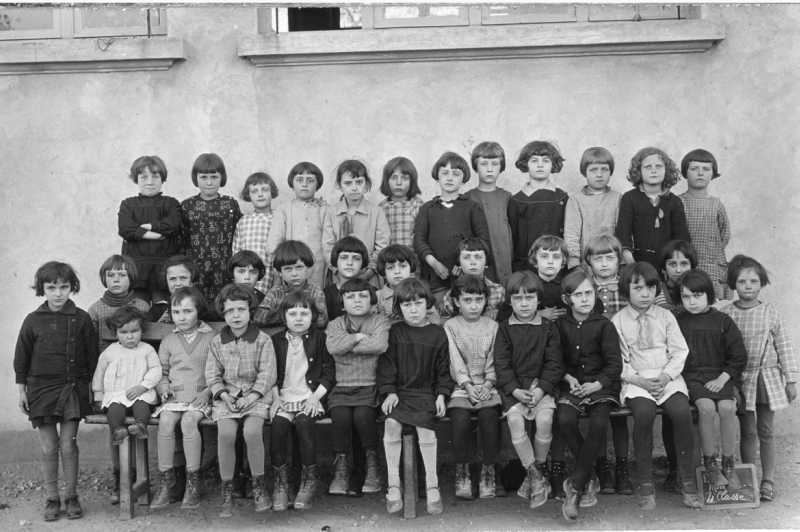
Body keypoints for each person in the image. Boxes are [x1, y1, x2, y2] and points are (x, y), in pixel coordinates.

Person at [610, 262, 701, 510]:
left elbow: (679, 351)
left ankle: (687, 479)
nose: (645, 294)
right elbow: (618, 360)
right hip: (637, 380)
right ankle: (646, 482)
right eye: (638, 288)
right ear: (625, 290)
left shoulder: (665, 316)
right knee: (644, 414)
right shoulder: (618, 321)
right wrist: (638, 380)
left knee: (682, 413)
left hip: (666, 378)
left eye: (650, 288)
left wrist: (665, 377)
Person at [14, 262, 98, 521]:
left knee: (68, 444)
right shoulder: (32, 320)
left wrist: (91, 390)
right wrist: (22, 390)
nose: (58, 293)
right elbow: (22, 358)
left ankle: (72, 496)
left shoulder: (82, 318)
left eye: (64, 287)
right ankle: (52, 498)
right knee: (49, 446)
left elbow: (92, 357)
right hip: (40, 388)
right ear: (43, 289)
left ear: (72, 287)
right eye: (52, 287)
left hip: (71, 387)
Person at [721, 255, 797, 502]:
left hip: (766, 378)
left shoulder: (770, 312)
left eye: (753, 281)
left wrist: (791, 379)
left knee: (766, 430)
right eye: (742, 281)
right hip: (741, 380)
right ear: (734, 284)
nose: (748, 286)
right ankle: (749, 478)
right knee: (748, 431)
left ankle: (768, 481)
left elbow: (785, 346)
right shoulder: (726, 314)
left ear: (761, 282)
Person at [378, 279, 454, 515]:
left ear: (427, 304)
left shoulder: (438, 334)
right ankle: (393, 483)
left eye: (418, 303)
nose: (413, 309)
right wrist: (389, 391)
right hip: (401, 394)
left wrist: (442, 395)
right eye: (407, 304)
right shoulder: (394, 333)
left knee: (426, 428)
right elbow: (387, 366)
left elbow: (444, 369)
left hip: (425, 394)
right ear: (398, 308)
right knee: (391, 423)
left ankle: (432, 484)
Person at [555, 272, 622, 522]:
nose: (585, 299)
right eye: (578, 294)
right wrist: (567, 378)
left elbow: (615, 365)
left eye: (589, 293)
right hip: (571, 386)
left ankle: (576, 488)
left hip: (601, 386)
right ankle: (589, 474)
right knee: (565, 421)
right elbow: (555, 360)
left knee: (598, 423)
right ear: (567, 298)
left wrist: (597, 384)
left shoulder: (605, 325)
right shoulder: (560, 326)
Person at [206, 284, 277, 517]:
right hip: (227, 399)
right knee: (226, 434)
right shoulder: (217, 342)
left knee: (252, 432)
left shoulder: (263, 340)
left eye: (241, 309)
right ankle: (227, 489)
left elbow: (268, 373)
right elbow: (212, 374)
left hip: (255, 398)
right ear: (223, 314)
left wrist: (253, 395)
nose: (235, 316)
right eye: (229, 311)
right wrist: (224, 395)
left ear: (250, 311)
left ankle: (258, 485)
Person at [493, 271, 563, 509]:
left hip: (540, 387)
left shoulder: (549, 327)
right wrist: (514, 390)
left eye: (529, 298)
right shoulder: (504, 328)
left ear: (538, 299)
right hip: (514, 390)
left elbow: (555, 364)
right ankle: (535, 475)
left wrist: (542, 389)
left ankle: (538, 469)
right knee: (515, 421)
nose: (524, 304)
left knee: (545, 418)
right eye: (518, 299)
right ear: (509, 301)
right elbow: (501, 364)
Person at [676, 270, 747, 489]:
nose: (692, 302)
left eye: (697, 296)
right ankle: (710, 466)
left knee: (727, 408)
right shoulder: (678, 321)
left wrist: (722, 379)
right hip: (692, 378)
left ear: (708, 294)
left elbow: (738, 356)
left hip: (720, 375)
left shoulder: (723, 321)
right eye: (686, 297)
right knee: (705, 408)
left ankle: (728, 464)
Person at [151, 287, 215, 510]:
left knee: (189, 422)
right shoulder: (169, 340)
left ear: (199, 311)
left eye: (188, 311)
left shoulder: (211, 337)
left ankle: (192, 482)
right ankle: (166, 481)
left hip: (201, 396)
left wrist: (208, 392)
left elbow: (220, 370)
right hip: (175, 396)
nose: (182, 317)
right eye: (176, 312)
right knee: (166, 420)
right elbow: (162, 373)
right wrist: (164, 389)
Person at [270, 292, 336, 511]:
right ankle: (282, 483)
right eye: (293, 313)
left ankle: (309, 481)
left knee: (304, 423)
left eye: (304, 313)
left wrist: (316, 397)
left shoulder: (320, 339)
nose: (298, 318)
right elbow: (270, 374)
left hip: (310, 397)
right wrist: (275, 399)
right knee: (278, 425)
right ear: (284, 316)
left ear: (313, 316)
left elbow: (328, 373)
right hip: (284, 396)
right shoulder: (276, 340)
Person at [325, 279, 391, 496]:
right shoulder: (335, 324)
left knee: (363, 417)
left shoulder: (380, 321)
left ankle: (374, 467)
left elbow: (379, 345)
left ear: (372, 301)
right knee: (341, 418)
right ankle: (341, 469)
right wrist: (357, 337)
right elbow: (333, 346)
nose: (357, 300)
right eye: (350, 296)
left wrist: (347, 345)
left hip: (369, 387)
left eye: (362, 295)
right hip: (341, 388)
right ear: (342, 303)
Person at [581, 234, 633, 495]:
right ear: (588, 261)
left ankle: (622, 469)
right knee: (597, 414)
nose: (603, 263)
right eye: (597, 258)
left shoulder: (626, 286)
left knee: (619, 417)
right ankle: (602, 467)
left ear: (618, 259)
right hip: (594, 364)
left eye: (609, 257)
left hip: (623, 359)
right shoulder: (584, 287)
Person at [444, 275, 502, 499]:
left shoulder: (492, 326)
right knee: (460, 419)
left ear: (485, 300)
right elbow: (454, 359)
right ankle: (463, 471)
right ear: (457, 301)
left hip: (488, 386)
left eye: (478, 300)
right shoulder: (450, 326)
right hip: (461, 387)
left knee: (489, 417)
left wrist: (488, 383)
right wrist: (467, 386)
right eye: (467, 300)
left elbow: (495, 359)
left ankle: (488, 471)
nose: (473, 305)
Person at [413, 152, 490, 307]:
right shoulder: (428, 208)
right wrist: (434, 263)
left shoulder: (471, 207)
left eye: (456, 174)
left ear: (463, 178)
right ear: (437, 176)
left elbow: (483, 240)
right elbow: (419, 239)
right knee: (441, 314)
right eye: (445, 173)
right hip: (435, 277)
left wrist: (464, 264)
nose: (449, 178)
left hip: (465, 277)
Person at [92, 305, 160, 448]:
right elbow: (99, 374)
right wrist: (98, 396)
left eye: (134, 331)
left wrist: (143, 386)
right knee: (115, 408)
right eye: (123, 332)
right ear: (116, 333)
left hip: (140, 393)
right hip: (116, 395)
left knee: (142, 405)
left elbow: (156, 370)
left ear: (142, 331)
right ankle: (117, 430)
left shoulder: (147, 350)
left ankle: (140, 425)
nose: (129, 336)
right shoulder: (110, 352)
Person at [118, 155, 182, 304]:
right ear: (136, 179)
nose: (150, 182)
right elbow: (125, 229)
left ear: (162, 179)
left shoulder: (171, 203)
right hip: (137, 267)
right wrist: (154, 236)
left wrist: (146, 227)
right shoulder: (128, 204)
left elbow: (173, 224)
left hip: (164, 267)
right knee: (139, 309)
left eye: (155, 177)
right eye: (144, 177)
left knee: (164, 309)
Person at [180, 153, 243, 303]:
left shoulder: (230, 204)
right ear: (196, 177)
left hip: (224, 267)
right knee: (196, 305)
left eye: (214, 177)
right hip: (196, 267)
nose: (209, 182)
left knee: (224, 304)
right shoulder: (187, 206)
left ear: (222, 177)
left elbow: (239, 236)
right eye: (203, 177)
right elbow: (180, 239)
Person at [615, 147, 691, 270]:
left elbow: (681, 239)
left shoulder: (674, 202)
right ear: (638, 171)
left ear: (667, 170)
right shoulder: (629, 198)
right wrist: (633, 264)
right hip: (634, 265)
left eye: (659, 166)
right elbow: (623, 234)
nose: (653, 171)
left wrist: (673, 267)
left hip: (666, 268)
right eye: (648, 167)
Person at [322, 159, 391, 288]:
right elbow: (328, 246)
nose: (354, 188)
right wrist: (338, 271)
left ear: (366, 184)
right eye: (347, 183)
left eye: (359, 182)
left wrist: (369, 272)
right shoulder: (331, 212)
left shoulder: (376, 212)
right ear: (339, 185)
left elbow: (382, 246)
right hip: (338, 278)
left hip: (369, 277)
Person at [508, 140, 569, 273]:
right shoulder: (517, 200)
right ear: (526, 164)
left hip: (556, 266)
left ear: (553, 164)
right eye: (534, 161)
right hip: (526, 267)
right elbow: (512, 238)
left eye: (546, 161)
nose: (540, 165)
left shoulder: (562, 198)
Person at [679, 149, 732, 300]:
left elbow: (724, 235)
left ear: (713, 173)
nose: (700, 173)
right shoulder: (677, 202)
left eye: (706, 169)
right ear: (685, 172)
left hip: (711, 267)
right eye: (694, 169)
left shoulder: (716, 204)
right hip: (683, 267)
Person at [268, 162, 329, 288]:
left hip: (319, 266)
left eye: (310, 180)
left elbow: (330, 240)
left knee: (316, 298)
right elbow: (275, 241)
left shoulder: (325, 209)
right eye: (299, 180)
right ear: (292, 184)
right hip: (291, 266)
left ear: (318, 185)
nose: (304, 184)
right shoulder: (284, 209)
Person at [563, 147, 622, 272]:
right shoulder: (576, 200)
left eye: (604, 169)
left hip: (613, 264)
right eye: (593, 170)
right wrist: (574, 265)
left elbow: (624, 234)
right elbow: (571, 235)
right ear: (585, 172)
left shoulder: (618, 198)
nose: (599, 174)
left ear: (611, 171)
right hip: (586, 265)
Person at [466, 141, 514, 286]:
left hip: (504, 256)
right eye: (483, 164)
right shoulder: (468, 197)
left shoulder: (507, 196)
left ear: (501, 167)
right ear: (475, 167)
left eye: (494, 164)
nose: (489, 169)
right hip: (479, 256)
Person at [253, 240, 328, 329]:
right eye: (288, 269)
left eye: (299, 267)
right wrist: (293, 315)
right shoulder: (275, 292)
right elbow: (258, 318)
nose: (294, 274)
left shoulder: (315, 292)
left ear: (309, 269)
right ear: (280, 272)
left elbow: (322, 320)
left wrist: (284, 317)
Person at [87, 254, 151, 354]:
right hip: (107, 365)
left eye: (122, 275)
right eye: (111, 275)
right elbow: (89, 344)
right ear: (104, 279)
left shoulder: (142, 307)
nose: (116, 280)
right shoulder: (96, 309)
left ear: (131, 278)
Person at [233, 171, 279, 293]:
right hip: (248, 272)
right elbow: (236, 251)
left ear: (272, 192)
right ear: (248, 195)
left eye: (264, 190)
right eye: (254, 191)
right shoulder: (244, 221)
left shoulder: (278, 218)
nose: (260, 195)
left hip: (271, 272)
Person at [439, 237, 505, 321]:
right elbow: (444, 319)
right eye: (466, 257)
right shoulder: (452, 294)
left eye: (478, 257)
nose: (473, 262)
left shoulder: (498, 291)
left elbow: (510, 313)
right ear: (458, 263)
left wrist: (498, 312)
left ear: (486, 262)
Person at [375, 244, 442, 324]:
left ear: (411, 269)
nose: (397, 271)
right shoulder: (378, 297)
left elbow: (435, 320)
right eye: (390, 267)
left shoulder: (420, 292)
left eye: (402, 266)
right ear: (384, 272)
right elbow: (371, 324)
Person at [378, 156, 425, 248]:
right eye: (393, 177)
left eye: (405, 178)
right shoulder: (380, 209)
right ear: (386, 181)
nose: (398, 183)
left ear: (412, 181)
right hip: (389, 259)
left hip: (413, 258)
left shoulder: (419, 206)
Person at [324, 236, 370, 321]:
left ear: (362, 263)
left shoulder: (372, 292)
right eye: (344, 257)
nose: (350, 263)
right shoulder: (325, 294)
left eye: (356, 258)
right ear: (335, 260)